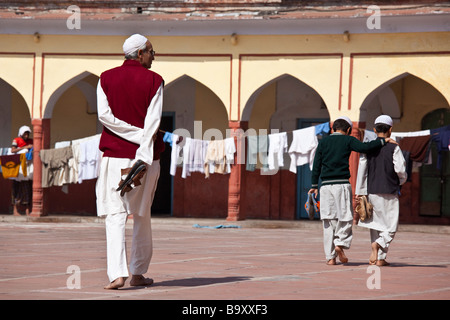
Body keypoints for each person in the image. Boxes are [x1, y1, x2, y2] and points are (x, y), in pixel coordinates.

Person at [96, 34, 165, 289]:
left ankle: (117, 275)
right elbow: (153, 121)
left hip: (114, 157)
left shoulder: (105, 78)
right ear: (139, 54)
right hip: (146, 158)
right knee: (142, 214)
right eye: (150, 51)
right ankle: (137, 273)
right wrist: (142, 148)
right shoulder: (155, 80)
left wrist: (133, 135)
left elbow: (105, 117)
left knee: (115, 215)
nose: (153, 55)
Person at [308, 116, 397, 265]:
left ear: (333, 128)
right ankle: (340, 243)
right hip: (341, 184)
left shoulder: (323, 142)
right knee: (346, 217)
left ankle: (330, 258)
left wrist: (314, 186)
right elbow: (365, 148)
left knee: (328, 222)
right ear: (349, 130)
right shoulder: (348, 140)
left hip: (325, 187)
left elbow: (316, 164)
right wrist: (383, 141)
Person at [355, 115, 407, 266]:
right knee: (391, 225)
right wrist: (401, 181)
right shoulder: (394, 147)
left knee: (376, 225)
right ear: (390, 129)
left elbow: (362, 170)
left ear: (374, 130)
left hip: (371, 190)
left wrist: (360, 191)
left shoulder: (368, 147)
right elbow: (400, 169)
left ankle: (380, 258)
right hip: (390, 189)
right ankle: (379, 246)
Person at [10, 125, 33, 216]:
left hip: (28, 167)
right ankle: (15, 210)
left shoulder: (31, 141)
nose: (26, 136)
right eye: (25, 134)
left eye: (28, 134)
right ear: (21, 134)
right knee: (16, 188)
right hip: (18, 168)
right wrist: (24, 148)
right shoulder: (16, 140)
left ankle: (27, 210)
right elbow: (13, 150)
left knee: (27, 189)